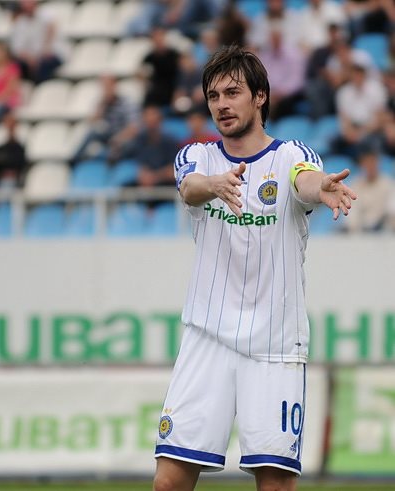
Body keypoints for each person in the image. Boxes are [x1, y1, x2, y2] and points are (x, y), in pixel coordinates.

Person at [154, 45, 357, 491]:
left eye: (233, 93)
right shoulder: (198, 157)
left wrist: (320, 186)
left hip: (275, 344)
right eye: (213, 96)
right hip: (207, 338)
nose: (222, 105)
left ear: (260, 96)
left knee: (275, 486)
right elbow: (189, 188)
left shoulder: (291, 155)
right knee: (168, 482)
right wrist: (213, 184)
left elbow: (304, 180)